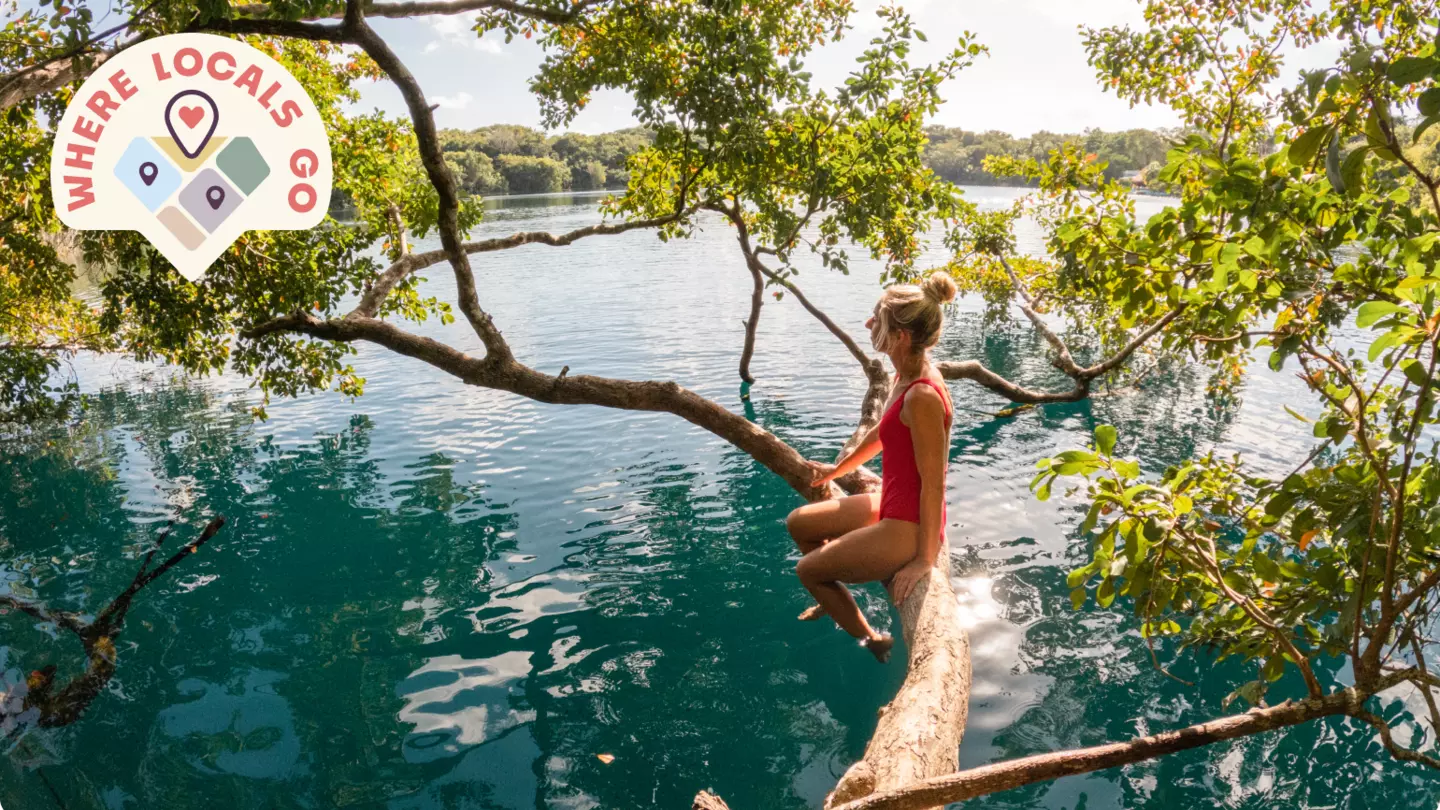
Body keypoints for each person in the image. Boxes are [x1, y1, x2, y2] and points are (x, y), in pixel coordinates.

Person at [785, 271, 956, 662]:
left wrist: (924, 559)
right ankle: (835, 598)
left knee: (808, 571)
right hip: (889, 501)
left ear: (901, 336)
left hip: (908, 523)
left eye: (877, 318)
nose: (867, 323)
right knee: (799, 522)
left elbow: (934, 486)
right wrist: (836, 470)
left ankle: (872, 639)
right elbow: (882, 432)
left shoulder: (924, 395)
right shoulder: (905, 373)